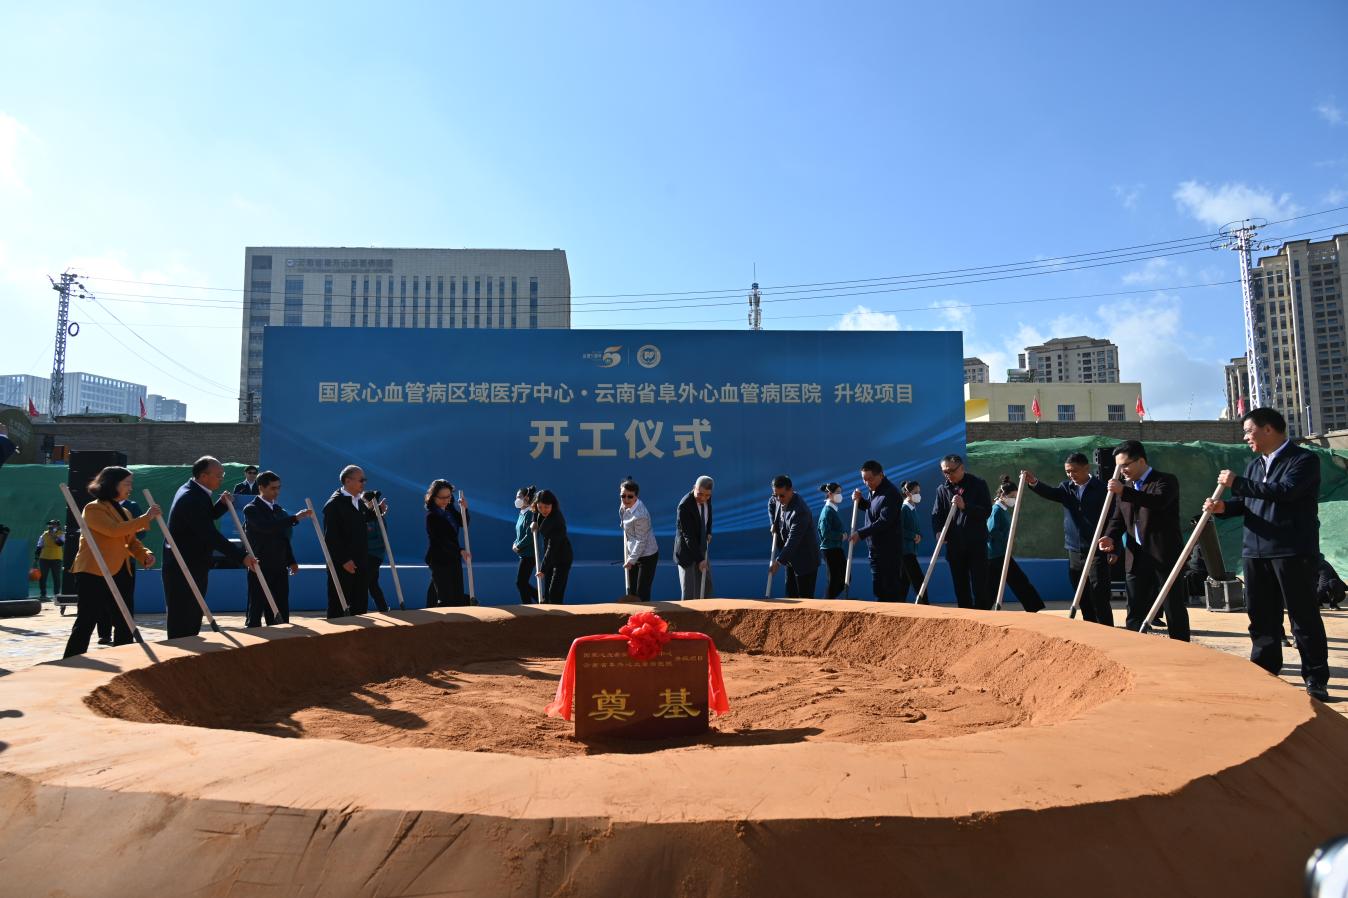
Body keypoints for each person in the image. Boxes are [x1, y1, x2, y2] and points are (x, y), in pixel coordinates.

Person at [1205, 407, 1328, 700]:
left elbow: (1285, 492)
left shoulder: (1303, 460)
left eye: (1249, 431)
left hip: (1291, 550)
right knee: (1261, 616)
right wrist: (1224, 507)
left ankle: (1315, 678)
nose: (1246, 437)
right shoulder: (1254, 466)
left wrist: (1238, 483)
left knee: (1303, 616)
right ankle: (1265, 670)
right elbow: (1246, 501)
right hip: (1255, 550)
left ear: (1269, 429)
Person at [62, 467, 160, 657]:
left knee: (125, 620)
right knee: (87, 620)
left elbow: (130, 541)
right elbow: (113, 530)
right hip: (93, 571)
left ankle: (124, 659)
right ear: (112, 484)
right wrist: (146, 518)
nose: (130, 488)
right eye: (127, 483)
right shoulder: (93, 509)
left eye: (131, 483)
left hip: (121, 570)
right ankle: (71, 660)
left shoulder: (125, 511)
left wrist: (144, 555)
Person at [1099, 440, 1190, 641]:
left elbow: (1158, 502)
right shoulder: (1125, 487)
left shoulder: (1164, 481)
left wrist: (1124, 491)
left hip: (1164, 555)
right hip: (1136, 557)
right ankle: (1136, 645)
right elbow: (1118, 519)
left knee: (1172, 605)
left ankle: (1181, 647)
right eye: (1118, 467)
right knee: (1134, 606)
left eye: (1125, 465)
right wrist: (1110, 536)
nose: (1122, 471)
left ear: (1141, 461)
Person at [163, 456, 256, 638]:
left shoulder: (195, 490)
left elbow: (204, 517)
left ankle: (190, 645)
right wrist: (241, 556)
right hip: (184, 565)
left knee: (193, 611)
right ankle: (181, 648)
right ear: (204, 476)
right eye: (218, 475)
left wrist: (221, 505)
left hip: (192, 562)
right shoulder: (191, 497)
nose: (221, 479)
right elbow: (208, 533)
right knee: (184, 615)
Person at [1024, 452, 1115, 626]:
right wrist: (1034, 482)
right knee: (1082, 594)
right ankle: (1090, 626)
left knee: (1099, 593)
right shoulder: (1066, 488)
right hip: (1074, 548)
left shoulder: (1102, 489)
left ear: (1086, 468)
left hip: (1096, 549)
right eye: (1067, 471)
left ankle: (1107, 628)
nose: (1071, 475)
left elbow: (1113, 517)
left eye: (1074, 471)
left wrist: (1112, 544)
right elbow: (1052, 493)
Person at [241, 470, 311, 626]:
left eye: (278, 488)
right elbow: (266, 527)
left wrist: (291, 560)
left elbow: (283, 537)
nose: (277, 492)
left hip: (279, 565)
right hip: (259, 565)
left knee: (280, 604)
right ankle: (253, 633)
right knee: (257, 605)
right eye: (273, 488)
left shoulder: (278, 510)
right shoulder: (251, 509)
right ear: (261, 487)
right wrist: (294, 518)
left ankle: (281, 634)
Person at [931, 454, 992, 609]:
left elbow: (986, 511)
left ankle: (982, 616)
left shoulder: (978, 484)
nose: (948, 475)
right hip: (955, 545)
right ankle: (965, 614)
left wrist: (965, 506)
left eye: (951, 471)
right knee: (960, 586)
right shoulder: (942, 489)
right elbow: (937, 514)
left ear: (962, 468)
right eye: (945, 472)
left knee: (980, 585)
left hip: (976, 544)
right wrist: (938, 531)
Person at [849, 460, 906, 601]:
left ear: (880, 475)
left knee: (889, 590)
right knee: (879, 589)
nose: (867, 483)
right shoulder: (874, 489)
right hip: (875, 549)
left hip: (888, 551)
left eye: (870, 479)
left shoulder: (891, 494)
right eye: (864, 479)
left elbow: (884, 521)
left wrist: (860, 533)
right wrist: (860, 501)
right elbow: (872, 509)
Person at [986, 476, 1045, 612]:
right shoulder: (996, 509)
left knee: (993, 585)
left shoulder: (1003, 509)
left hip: (1000, 553)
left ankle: (982, 608)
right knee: (1018, 580)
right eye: (1012, 497)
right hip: (997, 554)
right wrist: (1005, 541)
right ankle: (1033, 607)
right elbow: (991, 530)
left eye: (1016, 497)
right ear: (1003, 495)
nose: (1014, 500)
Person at [321, 465, 371, 617]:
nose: (364, 483)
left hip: (360, 561)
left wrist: (376, 513)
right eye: (361, 480)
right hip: (342, 565)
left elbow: (358, 523)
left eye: (364, 480)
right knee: (339, 606)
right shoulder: (333, 505)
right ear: (348, 481)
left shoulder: (359, 502)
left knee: (360, 605)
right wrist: (344, 560)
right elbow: (331, 537)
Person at [768, 475, 820, 598]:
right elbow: (771, 503)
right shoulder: (777, 498)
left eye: (782, 496)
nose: (778, 499)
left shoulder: (800, 512)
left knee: (805, 600)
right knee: (790, 596)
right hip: (790, 558)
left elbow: (793, 540)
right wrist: (773, 523)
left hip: (805, 561)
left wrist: (778, 562)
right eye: (776, 495)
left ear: (790, 490)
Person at [424, 479, 470, 607]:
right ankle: (435, 615)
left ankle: (430, 610)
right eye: (442, 497)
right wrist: (460, 550)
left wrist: (464, 509)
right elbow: (441, 540)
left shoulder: (450, 510)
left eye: (448, 497)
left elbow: (463, 523)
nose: (446, 500)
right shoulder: (431, 516)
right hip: (439, 559)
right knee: (445, 596)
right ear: (433, 497)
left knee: (452, 592)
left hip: (453, 557)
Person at [674, 475, 714, 600]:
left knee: (707, 587)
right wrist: (700, 559)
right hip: (687, 553)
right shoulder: (684, 506)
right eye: (700, 494)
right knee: (689, 593)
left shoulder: (707, 498)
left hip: (701, 547)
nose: (703, 498)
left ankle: (708, 612)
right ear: (694, 487)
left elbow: (708, 517)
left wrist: (708, 531)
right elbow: (688, 536)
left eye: (707, 495)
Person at [619, 479, 659, 601]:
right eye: (623, 496)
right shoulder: (624, 505)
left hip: (647, 556)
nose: (626, 499)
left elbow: (641, 541)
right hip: (633, 553)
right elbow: (623, 516)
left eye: (630, 496)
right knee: (632, 591)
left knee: (642, 593)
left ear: (636, 497)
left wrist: (631, 560)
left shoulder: (640, 515)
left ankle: (645, 613)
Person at [533, 489, 572, 603]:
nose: (543, 510)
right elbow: (535, 512)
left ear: (552, 505)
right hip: (550, 558)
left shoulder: (556, 520)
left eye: (546, 507)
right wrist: (534, 521)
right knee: (546, 593)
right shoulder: (540, 512)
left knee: (554, 593)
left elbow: (552, 546)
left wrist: (542, 569)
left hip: (562, 558)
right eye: (540, 507)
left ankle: (558, 613)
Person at [896, 481, 926, 603]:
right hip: (905, 551)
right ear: (908, 493)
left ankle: (899, 604)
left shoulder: (912, 509)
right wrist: (913, 536)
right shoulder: (904, 509)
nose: (918, 495)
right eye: (915, 492)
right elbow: (899, 529)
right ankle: (925, 604)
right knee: (918, 579)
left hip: (911, 550)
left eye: (919, 492)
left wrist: (919, 536)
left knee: (904, 581)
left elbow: (915, 528)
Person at [362, 490, 392, 613]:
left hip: (374, 556)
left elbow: (380, 540)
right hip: (367, 555)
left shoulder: (378, 519)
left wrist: (362, 546)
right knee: (372, 584)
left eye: (364, 502)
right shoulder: (366, 517)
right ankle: (383, 608)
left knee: (364, 582)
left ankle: (359, 610)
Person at [817, 483, 846, 599]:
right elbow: (825, 532)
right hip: (829, 549)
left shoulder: (832, 510)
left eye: (840, 492)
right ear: (830, 494)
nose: (840, 495)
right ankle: (827, 603)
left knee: (845, 578)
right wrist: (841, 536)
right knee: (834, 580)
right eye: (837, 493)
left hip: (836, 548)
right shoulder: (827, 511)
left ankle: (830, 600)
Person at [512, 485, 538, 603]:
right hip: (523, 554)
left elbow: (529, 535)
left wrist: (518, 546)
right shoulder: (522, 513)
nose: (517, 499)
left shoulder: (530, 514)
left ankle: (540, 600)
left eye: (519, 497)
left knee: (520, 582)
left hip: (530, 554)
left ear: (527, 498)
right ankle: (530, 604)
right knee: (522, 583)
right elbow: (519, 534)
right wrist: (515, 543)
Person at [33, 520, 65, 600]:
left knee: (56, 577)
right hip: (44, 559)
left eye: (54, 525)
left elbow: (60, 543)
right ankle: (43, 594)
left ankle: (56, 595)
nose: (51, 526)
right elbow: (39, 546)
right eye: (50, 525)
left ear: (58, 526)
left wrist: (54, 536)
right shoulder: (44, 534)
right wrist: (36, 559)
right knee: (43, 577)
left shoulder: (61, 534)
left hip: (56, 559)